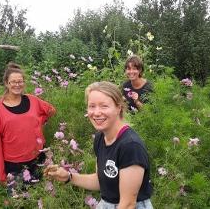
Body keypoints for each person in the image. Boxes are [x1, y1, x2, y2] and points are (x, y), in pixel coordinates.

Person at [44, 81, 153, 209]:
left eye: (104, 106)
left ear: (119, 108)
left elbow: (128, 204)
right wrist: (69, 176)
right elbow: (101, 181)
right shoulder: (101, 137)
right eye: (92, 106)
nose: (96, 113)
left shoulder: (130, 146)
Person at [0, 62, 56, 189]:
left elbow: (51, 110)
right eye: (13, 82)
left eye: (20, 81)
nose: (17, 84)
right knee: (19, 201)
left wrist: (38, 122)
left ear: (24, 83)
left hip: (39, 158)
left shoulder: (33, 100)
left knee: (42, 197)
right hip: (14, 165)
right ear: (6, 83)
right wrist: (1, 174)